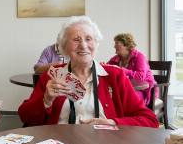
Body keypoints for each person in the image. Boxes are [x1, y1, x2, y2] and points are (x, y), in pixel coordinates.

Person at [18, 16, 159, 128]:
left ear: (95, 45)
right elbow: (25, 116)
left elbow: (150, 120)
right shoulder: (51, 75)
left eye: (89, 39)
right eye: (76, 39)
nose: (84, 45)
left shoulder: (115, 76)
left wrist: (113, 123)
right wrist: (46, 99)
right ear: (64, 48)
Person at [105, 33, 158, 106]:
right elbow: (107, 71)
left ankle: (131, 117)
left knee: (128, 100)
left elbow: (141, 76)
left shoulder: (139, 57)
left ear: (127, 46)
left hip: (144, 90)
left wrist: (121, 70)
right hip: (123, 88)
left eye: (117, 44)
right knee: (108, 97)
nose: (114, 46)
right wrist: (104, 66)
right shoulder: (115, 59)